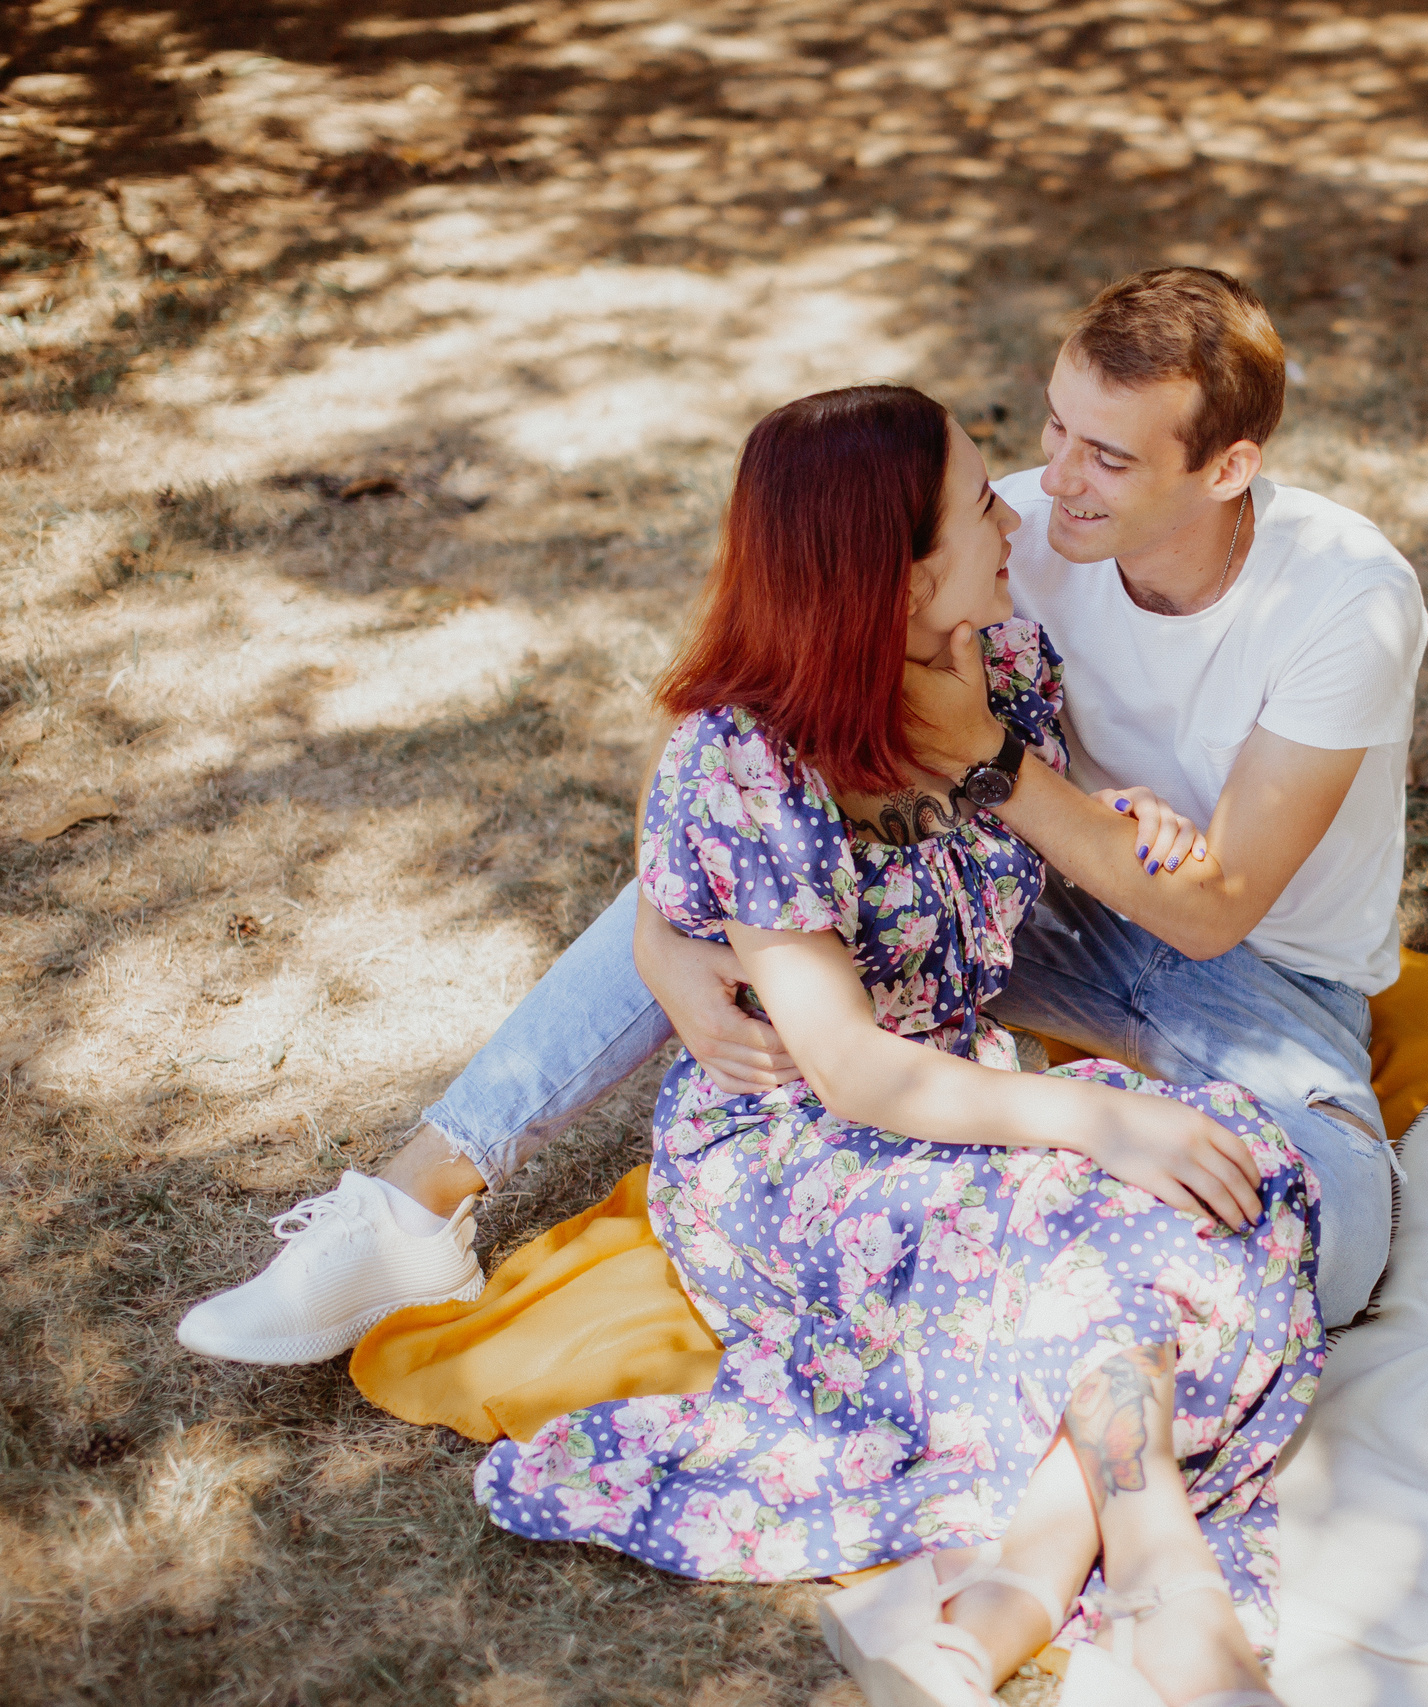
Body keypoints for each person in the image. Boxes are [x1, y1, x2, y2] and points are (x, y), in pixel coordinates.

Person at [176, 265, 1426, 1341]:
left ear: (1229, 467)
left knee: (1338, 1238)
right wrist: (669, 938)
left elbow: (1209, 916)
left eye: (1106, 455)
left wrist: (989, 761)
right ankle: (408, 1205)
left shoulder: (1340, 600)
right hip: (1021, 901)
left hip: (1248, 965)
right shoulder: (1022, 526)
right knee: (730, 866)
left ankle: (1119, 1308)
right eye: (1049, 431)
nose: (1055, 482)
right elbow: (728, 702)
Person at [477, 383, 1314, 1706]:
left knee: (1238, 1172)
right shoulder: (747, 759)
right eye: (982, 501)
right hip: (797, 1140)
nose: (1016, 511)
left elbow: (1047, 840)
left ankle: (994, 1613)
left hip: (961, 1084)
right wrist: (1099, 1117)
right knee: (1124, 1206)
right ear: (904, 568)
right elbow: (854, 1067)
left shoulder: (1004, 660)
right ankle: (1161, 1575)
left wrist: (1122, 823)